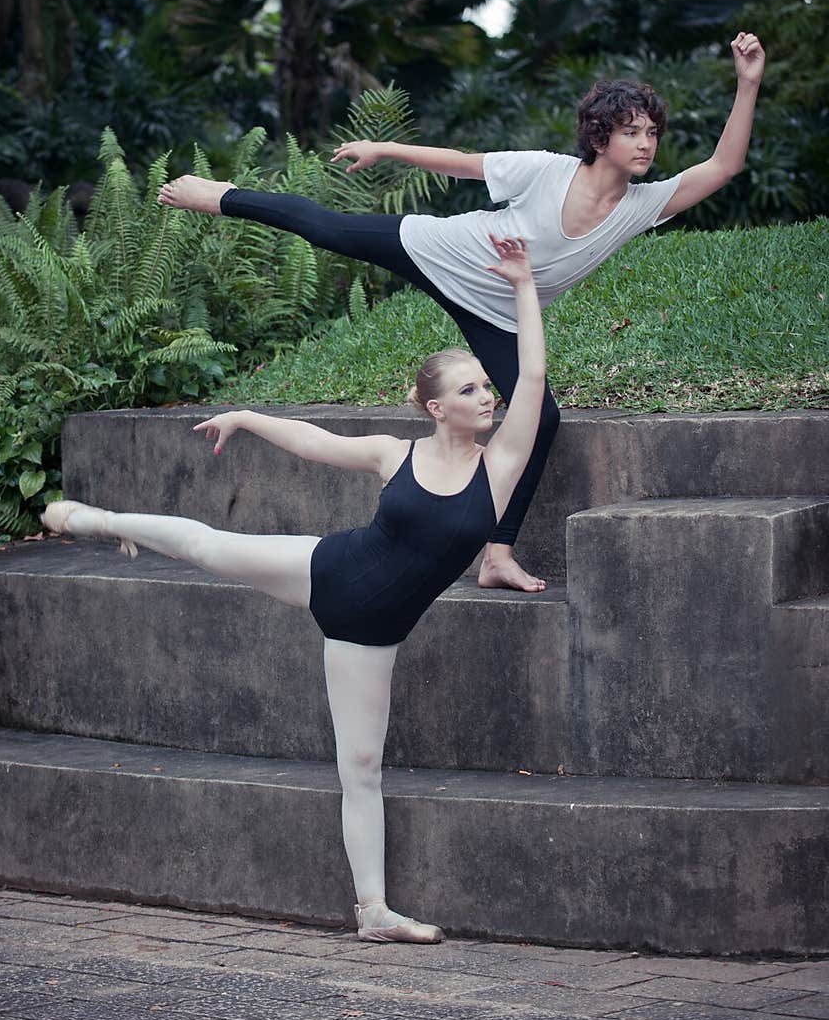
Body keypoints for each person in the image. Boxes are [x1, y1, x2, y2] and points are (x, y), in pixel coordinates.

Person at [41, 235, 546, 945]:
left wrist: (523, 283)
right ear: (435, 408)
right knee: (208, 546)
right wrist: (246, 417)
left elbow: (532, 376)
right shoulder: (393, 454)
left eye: (482, 387)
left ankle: (373, 914)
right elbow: (312, 442)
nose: (485, 396)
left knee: (361, 765)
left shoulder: (502, 466)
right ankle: (100, 520)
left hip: (369, 634)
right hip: (329, 570)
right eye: (468, 389)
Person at [158, 31, 766, 592]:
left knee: (543, 419)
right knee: (331, 229)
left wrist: (747, 84)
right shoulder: (550, 172)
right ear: (601, 137)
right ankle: (220, 197)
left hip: (499, 312)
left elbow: (724, 166)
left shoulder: (646, 204)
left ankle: (497, 555)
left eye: (652, 134)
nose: (645, 144)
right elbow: (466, 163)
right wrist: (384, 147)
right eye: (632, 132)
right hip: (438, 251)